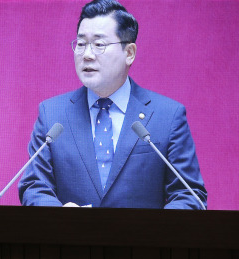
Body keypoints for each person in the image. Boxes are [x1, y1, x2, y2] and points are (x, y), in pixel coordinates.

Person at [18, 0, 206, 209]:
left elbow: (189, 194)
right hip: (71, 238)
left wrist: (151, 232)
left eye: (99, 45)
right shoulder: (52, 114)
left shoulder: (168, 116)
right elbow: (34, 186)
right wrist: (61, 216)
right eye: (81, 44)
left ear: (129, 53)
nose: (87, 55)